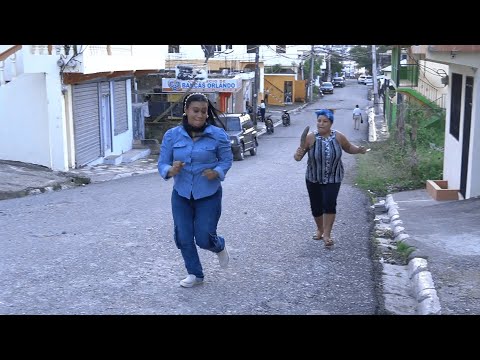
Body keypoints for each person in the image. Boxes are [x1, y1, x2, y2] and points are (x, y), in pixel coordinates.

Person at [158, 92, 233, 288]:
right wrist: (170, 170)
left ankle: (219, 245)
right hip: (181, 193)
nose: (200, 115)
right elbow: (162, 163)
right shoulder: (172, 135)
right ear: (186, 110)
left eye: (204, 112)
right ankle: (195, 273)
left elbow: (226, 160)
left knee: (203, 238)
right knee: (183, 236)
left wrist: (216, 172)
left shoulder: (218, 135)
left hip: (208, 194)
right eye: (195, 111)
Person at [293, 109, 368, 247]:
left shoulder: (338, 137)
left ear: (331, 123)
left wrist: (358, 150)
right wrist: (297, 155)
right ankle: (320, 229)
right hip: (313, 177)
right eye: (319, 121)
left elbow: (348, 147)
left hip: (334, 177)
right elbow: (299, 157)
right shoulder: (310, 138)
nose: (321, 124)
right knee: (316, 207)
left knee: (329, 204)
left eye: (325, 121)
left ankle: (327, 234)